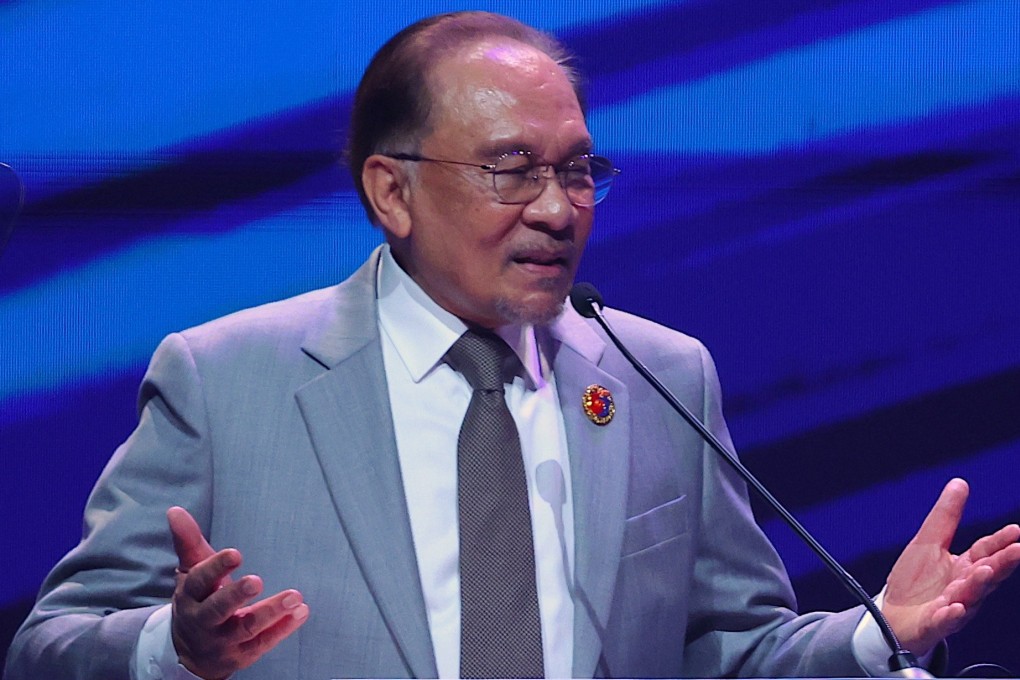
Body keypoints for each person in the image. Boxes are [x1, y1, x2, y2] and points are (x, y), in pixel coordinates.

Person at [5, 11, 1019, 680]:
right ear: (391, 191)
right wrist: (170, 646)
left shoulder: (658, 376)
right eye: (512, 170)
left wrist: (874, 630)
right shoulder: (225, 380)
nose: (558, 209)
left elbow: (727, 647)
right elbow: (45, 647)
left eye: (580, 171)